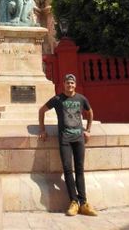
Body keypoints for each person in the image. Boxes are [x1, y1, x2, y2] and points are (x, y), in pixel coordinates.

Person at [38, 73, 98, 217]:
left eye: (72, 83)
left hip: (79, 138)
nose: (69, 85)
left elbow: (90, 112)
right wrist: (42, 129)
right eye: (67, 83)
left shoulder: (81, 99)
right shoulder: (58, 99)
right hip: (65, 139)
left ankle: (83, 203)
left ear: (75, 85)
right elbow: (42, 110)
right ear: (63, 84)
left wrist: (88, 130)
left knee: (79, 169)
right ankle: (74, 202)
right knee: (67, 169)